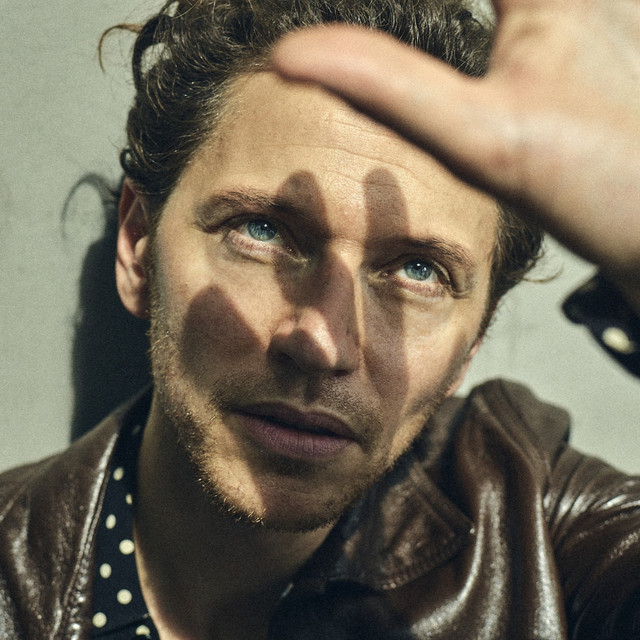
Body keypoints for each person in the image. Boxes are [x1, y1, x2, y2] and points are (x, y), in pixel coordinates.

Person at [0, 0, 639, 639]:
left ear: (471, 345)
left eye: (419, 270)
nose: (322, 343)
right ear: (139, 247)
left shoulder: (535, 522)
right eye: (261, 231)